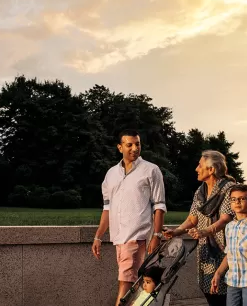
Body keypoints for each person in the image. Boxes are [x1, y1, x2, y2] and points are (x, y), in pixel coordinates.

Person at [92, 129, 167, 306]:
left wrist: (156, 236)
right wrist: (98, 236)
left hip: (138, 236)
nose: (134, 148)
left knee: (125, 281)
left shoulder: (151, 170)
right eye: (129, 145)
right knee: (135, 282)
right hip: (118, 237)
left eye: (137, 144)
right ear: (120, 147)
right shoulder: (111, 174)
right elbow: (107, 208)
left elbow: (159, 206)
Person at [163, 150, 236, 306]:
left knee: (224, 293)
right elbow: (192, 218)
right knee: (208, 289)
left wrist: (204, 231)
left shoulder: (228, 189)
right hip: (205, 249)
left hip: (224, 250)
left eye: (200, 165)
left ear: (211, 169)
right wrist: (176, 231)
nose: (196, 168)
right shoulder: (201, 191)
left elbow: (225, 219)